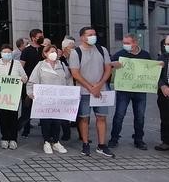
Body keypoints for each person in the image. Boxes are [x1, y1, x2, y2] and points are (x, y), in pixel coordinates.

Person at [69, 27, 114, 158]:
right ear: (82, 37)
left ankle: (101, 145)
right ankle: (85, 144)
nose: (93, 36)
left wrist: (99, 85)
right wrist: (90, 87)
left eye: (94, 34)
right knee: (84, 118)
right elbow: (75, 73)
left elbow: (108, 69)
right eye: (90, 34)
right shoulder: (76, 52)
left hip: (101, 91)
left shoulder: (102, 50)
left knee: (101, 117)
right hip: (84, 91)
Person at [108, 34, 151, 150]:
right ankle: (114, 138)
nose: (125, 45)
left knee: (140, 116)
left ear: (135, 43)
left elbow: (151, 69)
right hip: (124, 90)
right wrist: (113, 64)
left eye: (128, 43)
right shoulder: (121, 54)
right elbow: (108, 62)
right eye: (124, 43)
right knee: (119, 115)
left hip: (140, 90)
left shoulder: (145, 55)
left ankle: (139, 139)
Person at [27, 44, 70, 154]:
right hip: (44, 99)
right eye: (51, 51)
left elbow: (68, 80)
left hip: (59, 99)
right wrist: (31, 93)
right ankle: (46, 141)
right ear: (45, 53)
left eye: (55, 51)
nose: (54, 54)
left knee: (57, 121)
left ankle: (56, 141)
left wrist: (71, 93)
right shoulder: (40, 65)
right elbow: (32, 80)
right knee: (46, 121)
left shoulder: (62, 65)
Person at [0, 43, 27, 149]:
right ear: (1, 53)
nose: (7, 54)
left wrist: (23, 79)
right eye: (4, 52)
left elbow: (24, 76)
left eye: (9, 52)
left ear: (12, 53)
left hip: (14, 95)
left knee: (13, 116)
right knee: (3, 116)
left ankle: (13, 139)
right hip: (1, 95)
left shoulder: (17, 64)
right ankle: (5, 137)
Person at [18, 29, 45, 136]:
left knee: (43, 108)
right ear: (33, 37)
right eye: (39, 36)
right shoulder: (26, 51)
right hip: (29, 83)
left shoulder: (44, 49)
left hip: (43, 83)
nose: (41, 37)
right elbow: (21, 67)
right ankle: (24, 129)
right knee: (26, 109)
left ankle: (45, 132)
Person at [59, 37, 77, 142]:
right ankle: (66, 133)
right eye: (71, 47)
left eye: (74, 47)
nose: (73, 49)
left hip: (74, 87)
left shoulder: (75, 57)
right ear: (65, 48)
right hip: (64, 88)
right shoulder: (61, 59)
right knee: (63, 113)